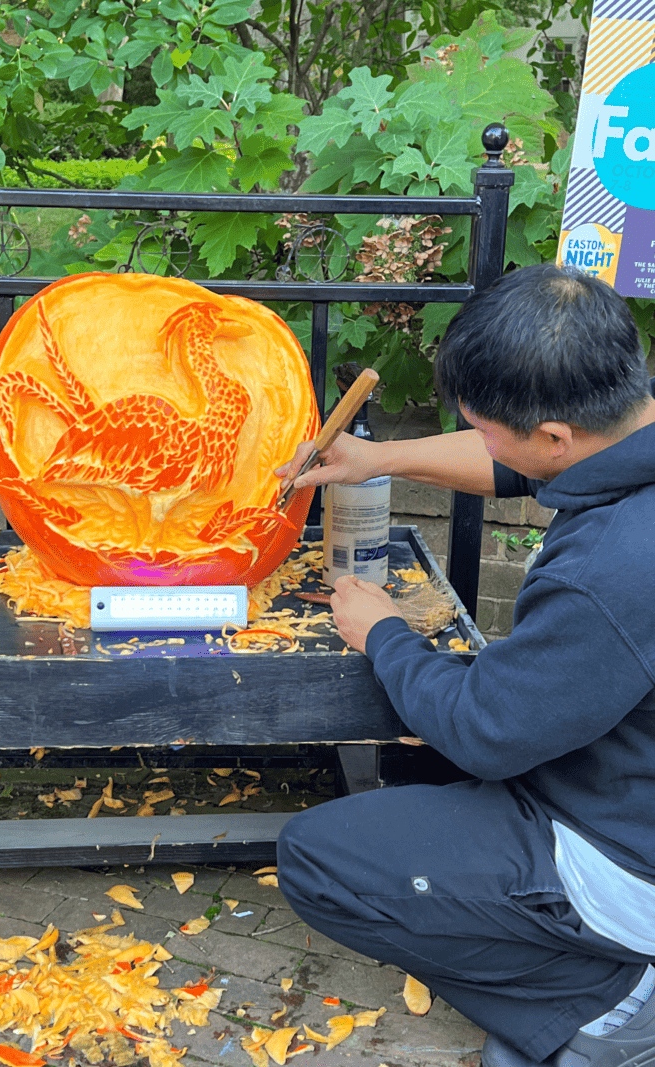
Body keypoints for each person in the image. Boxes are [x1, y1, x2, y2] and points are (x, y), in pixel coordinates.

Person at [274, 263, 655, 1067]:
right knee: (422, 783)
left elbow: (487, 730)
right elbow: (523, 464)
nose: (481, 444)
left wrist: (384, 631)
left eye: (483, 428)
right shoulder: (627, 433)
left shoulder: (613, 567)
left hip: (626, 853)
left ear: (556, 433)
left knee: (320, 857)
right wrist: (374, 459)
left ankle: (608, 1009)